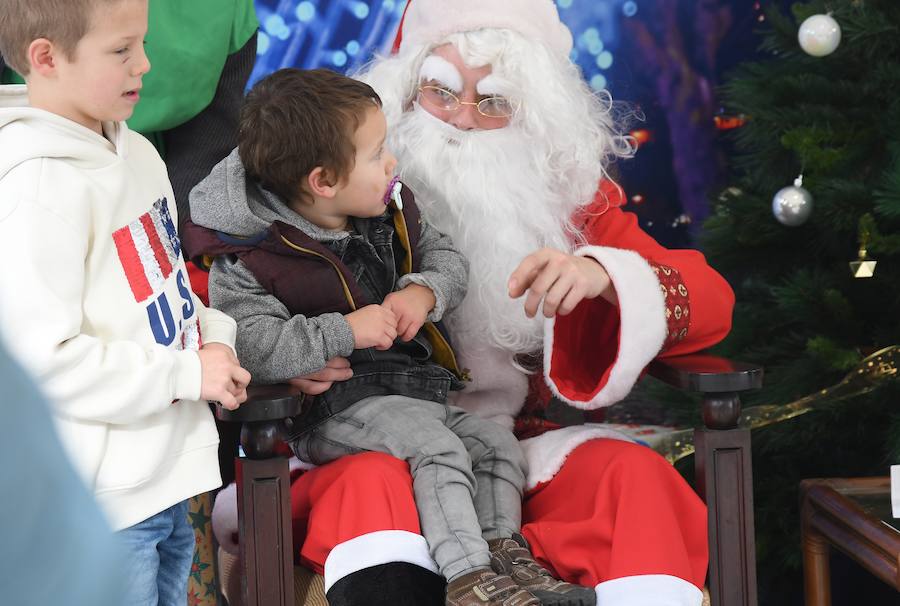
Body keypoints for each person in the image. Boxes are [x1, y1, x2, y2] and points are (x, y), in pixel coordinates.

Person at [213, 2, 735, 606]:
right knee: (371, 486)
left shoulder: (571, 201)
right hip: (362, 441)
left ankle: (515, 566)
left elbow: (713, 303)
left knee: (635, 479)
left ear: (535, 109)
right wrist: (286, 359)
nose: (462, 118)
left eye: (493, 102)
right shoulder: (326, 186)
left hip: (510, 447)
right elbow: (216, 306)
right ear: (404, 91)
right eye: (440, 92)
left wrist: (601, 275)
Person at [184, 67, 595, 606]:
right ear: (324, 182)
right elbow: (251, 344)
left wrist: (424, 292)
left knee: (496, 447)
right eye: (377, 153)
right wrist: (343, 331)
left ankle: (505, 559)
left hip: (412, 394)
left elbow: (447, 257)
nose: (392, 162)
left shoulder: (388, 209)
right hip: (332, 410)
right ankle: (470, 579)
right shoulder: (251, 254)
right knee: (438, 450)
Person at [0, 1, 251, 605]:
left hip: (165, 485)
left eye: (142, 42)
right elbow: (44, 363)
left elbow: (159, 293)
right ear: (46, 57)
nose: (144, 64)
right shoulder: (38, 186)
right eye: (121, 50)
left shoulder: (136, 151)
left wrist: (214, 338)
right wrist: (186, 374)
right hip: (105, 507)